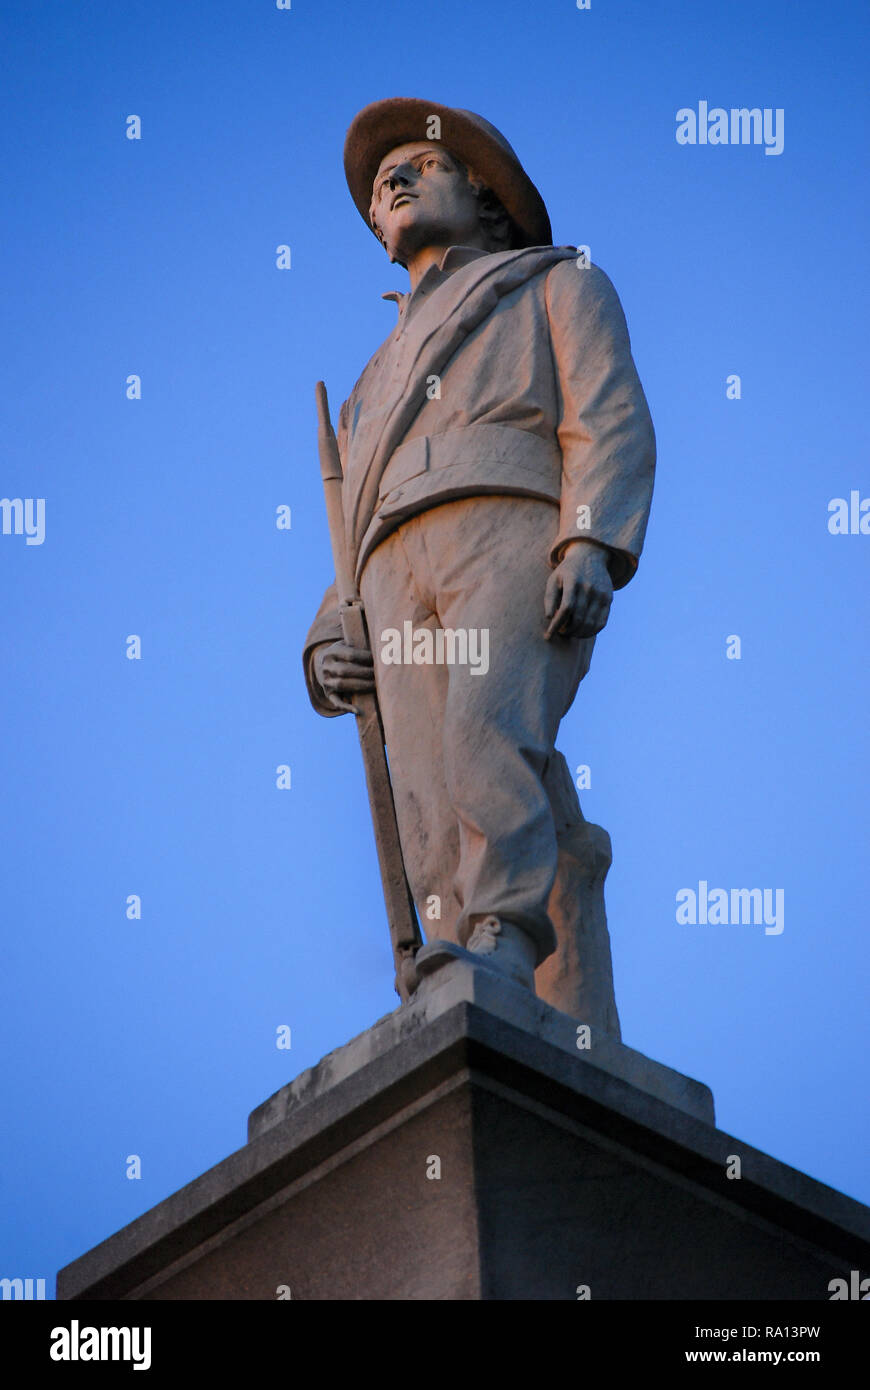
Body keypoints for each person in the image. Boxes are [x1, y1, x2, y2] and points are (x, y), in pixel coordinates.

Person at [303, 99, 655, 1029]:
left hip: (506, 527)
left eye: (422, 164)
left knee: (482, 739)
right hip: (388, 573)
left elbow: (606, 417)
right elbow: (352, 523)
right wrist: (325, 642)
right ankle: (449, 964)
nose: (394, 182)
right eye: (383, 186)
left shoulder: (554, 284)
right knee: (422, 790)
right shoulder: (372, 380)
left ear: (487, 197)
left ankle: (503, 931)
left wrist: (589, 537)